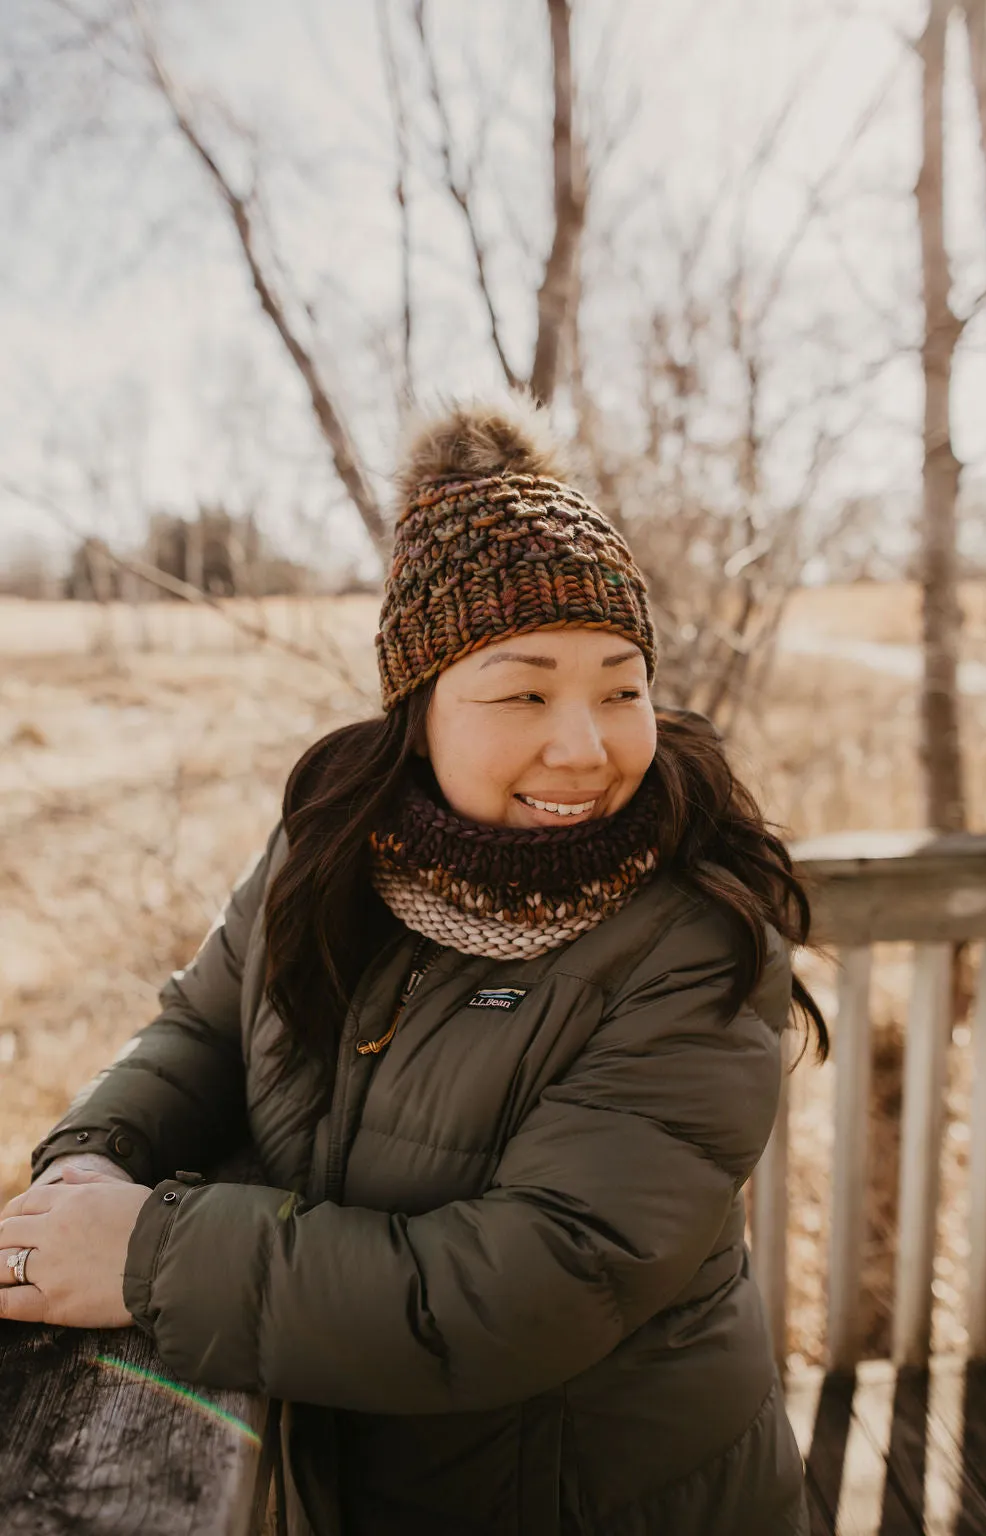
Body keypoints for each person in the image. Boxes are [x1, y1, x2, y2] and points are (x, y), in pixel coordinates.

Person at [0, 397, 826, 1535]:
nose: (583, 744)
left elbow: (530, 1285)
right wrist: (94, 1164)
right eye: (524, 691)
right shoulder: (331, 849)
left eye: (620, 686)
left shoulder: (694, 938)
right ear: (419, 710)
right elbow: (202, 1028)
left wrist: (149, 1257)